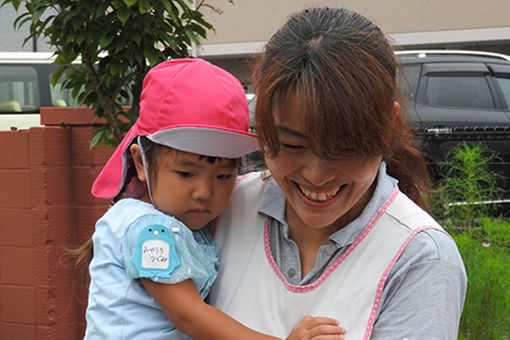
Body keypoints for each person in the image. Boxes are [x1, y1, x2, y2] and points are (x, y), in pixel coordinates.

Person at [208, 7, 467, 340]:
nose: (316, 175)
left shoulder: (419, 258)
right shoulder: (222, 205)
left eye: (343, 149)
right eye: (291, 145)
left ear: (387, 125)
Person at [83, 58, 346, 340]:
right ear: (140, 162)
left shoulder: (181, 225)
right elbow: (189, 315)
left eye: (223, 176)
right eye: (186, 173)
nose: (204, 192)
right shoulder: (149, 231)